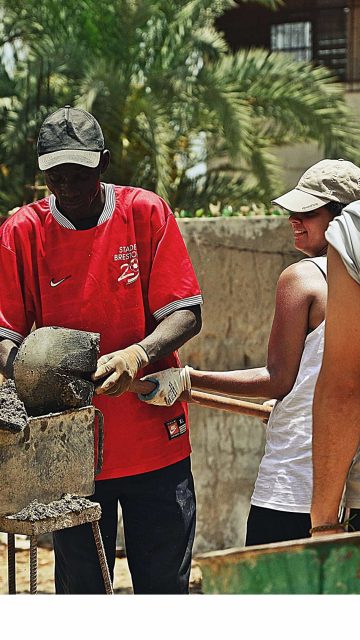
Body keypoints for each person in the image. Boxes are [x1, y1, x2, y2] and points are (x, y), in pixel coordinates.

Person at [0, 106, 203, 594]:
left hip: (154, 440)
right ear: (41, 170)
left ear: (104, 163)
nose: (67, 184)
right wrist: (28, 369)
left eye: (79, 172)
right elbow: (4, 331)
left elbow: (186, 311)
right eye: (55, 174)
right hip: (72, 451)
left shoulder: (144, 212)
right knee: (85, 595)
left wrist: (136, 355)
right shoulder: (22, 232)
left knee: (164, 588)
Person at [138, 159, 360, 546]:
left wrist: (188, 380)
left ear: (340, 218)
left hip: (296, 480)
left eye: (308, 211)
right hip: (351, 486)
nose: (294, 218)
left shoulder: (304, 277)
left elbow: (278, 379)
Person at [311, 199, 360, 536]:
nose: (293, 222)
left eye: (308, 213)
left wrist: (324, 521)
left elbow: (344, 388)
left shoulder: (353, 229)